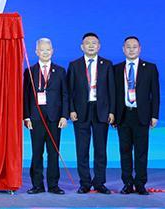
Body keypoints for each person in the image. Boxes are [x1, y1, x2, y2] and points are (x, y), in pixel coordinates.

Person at [67, 33, 115, 194]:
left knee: (100, 149)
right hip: (81, 111)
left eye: (94, 43)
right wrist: (71, 110)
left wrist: (112, 111)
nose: (91, 46)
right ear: (82, 47)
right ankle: (85, 183)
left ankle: (100, 182)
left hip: (101, 111)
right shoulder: (74, 65)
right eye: (87, 43)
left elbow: (112, 90)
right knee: (82, 149)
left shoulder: (107, 64)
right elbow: (69, 90)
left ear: (99, 46)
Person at [113, 36, 160, 195]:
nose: (131, 49)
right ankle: (127, 183)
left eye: (134, 47)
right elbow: (113, 94)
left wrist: (154, 115)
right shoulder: (117, 69)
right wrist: (113, 114)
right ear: (123, 49)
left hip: (142, 115)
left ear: (140, 49)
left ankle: (140, 184)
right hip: (123, 115)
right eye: (128, 47)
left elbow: (155, 93)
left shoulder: (150, 68)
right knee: (125, 151)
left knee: (141, 151)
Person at [23, 38, 69, 195]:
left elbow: (65, 95)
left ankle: (54, 185)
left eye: (48, 50)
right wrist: (26, 116)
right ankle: (37, 185)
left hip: (55, 118)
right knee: (37, 153)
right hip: (35, 118)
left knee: (53, 153)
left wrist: (64, 116)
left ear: (52, 51)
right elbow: (25, 95)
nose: (45, 52)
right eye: (42, 50)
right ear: (36, 52)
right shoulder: (30, 71)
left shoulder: (60, 71)